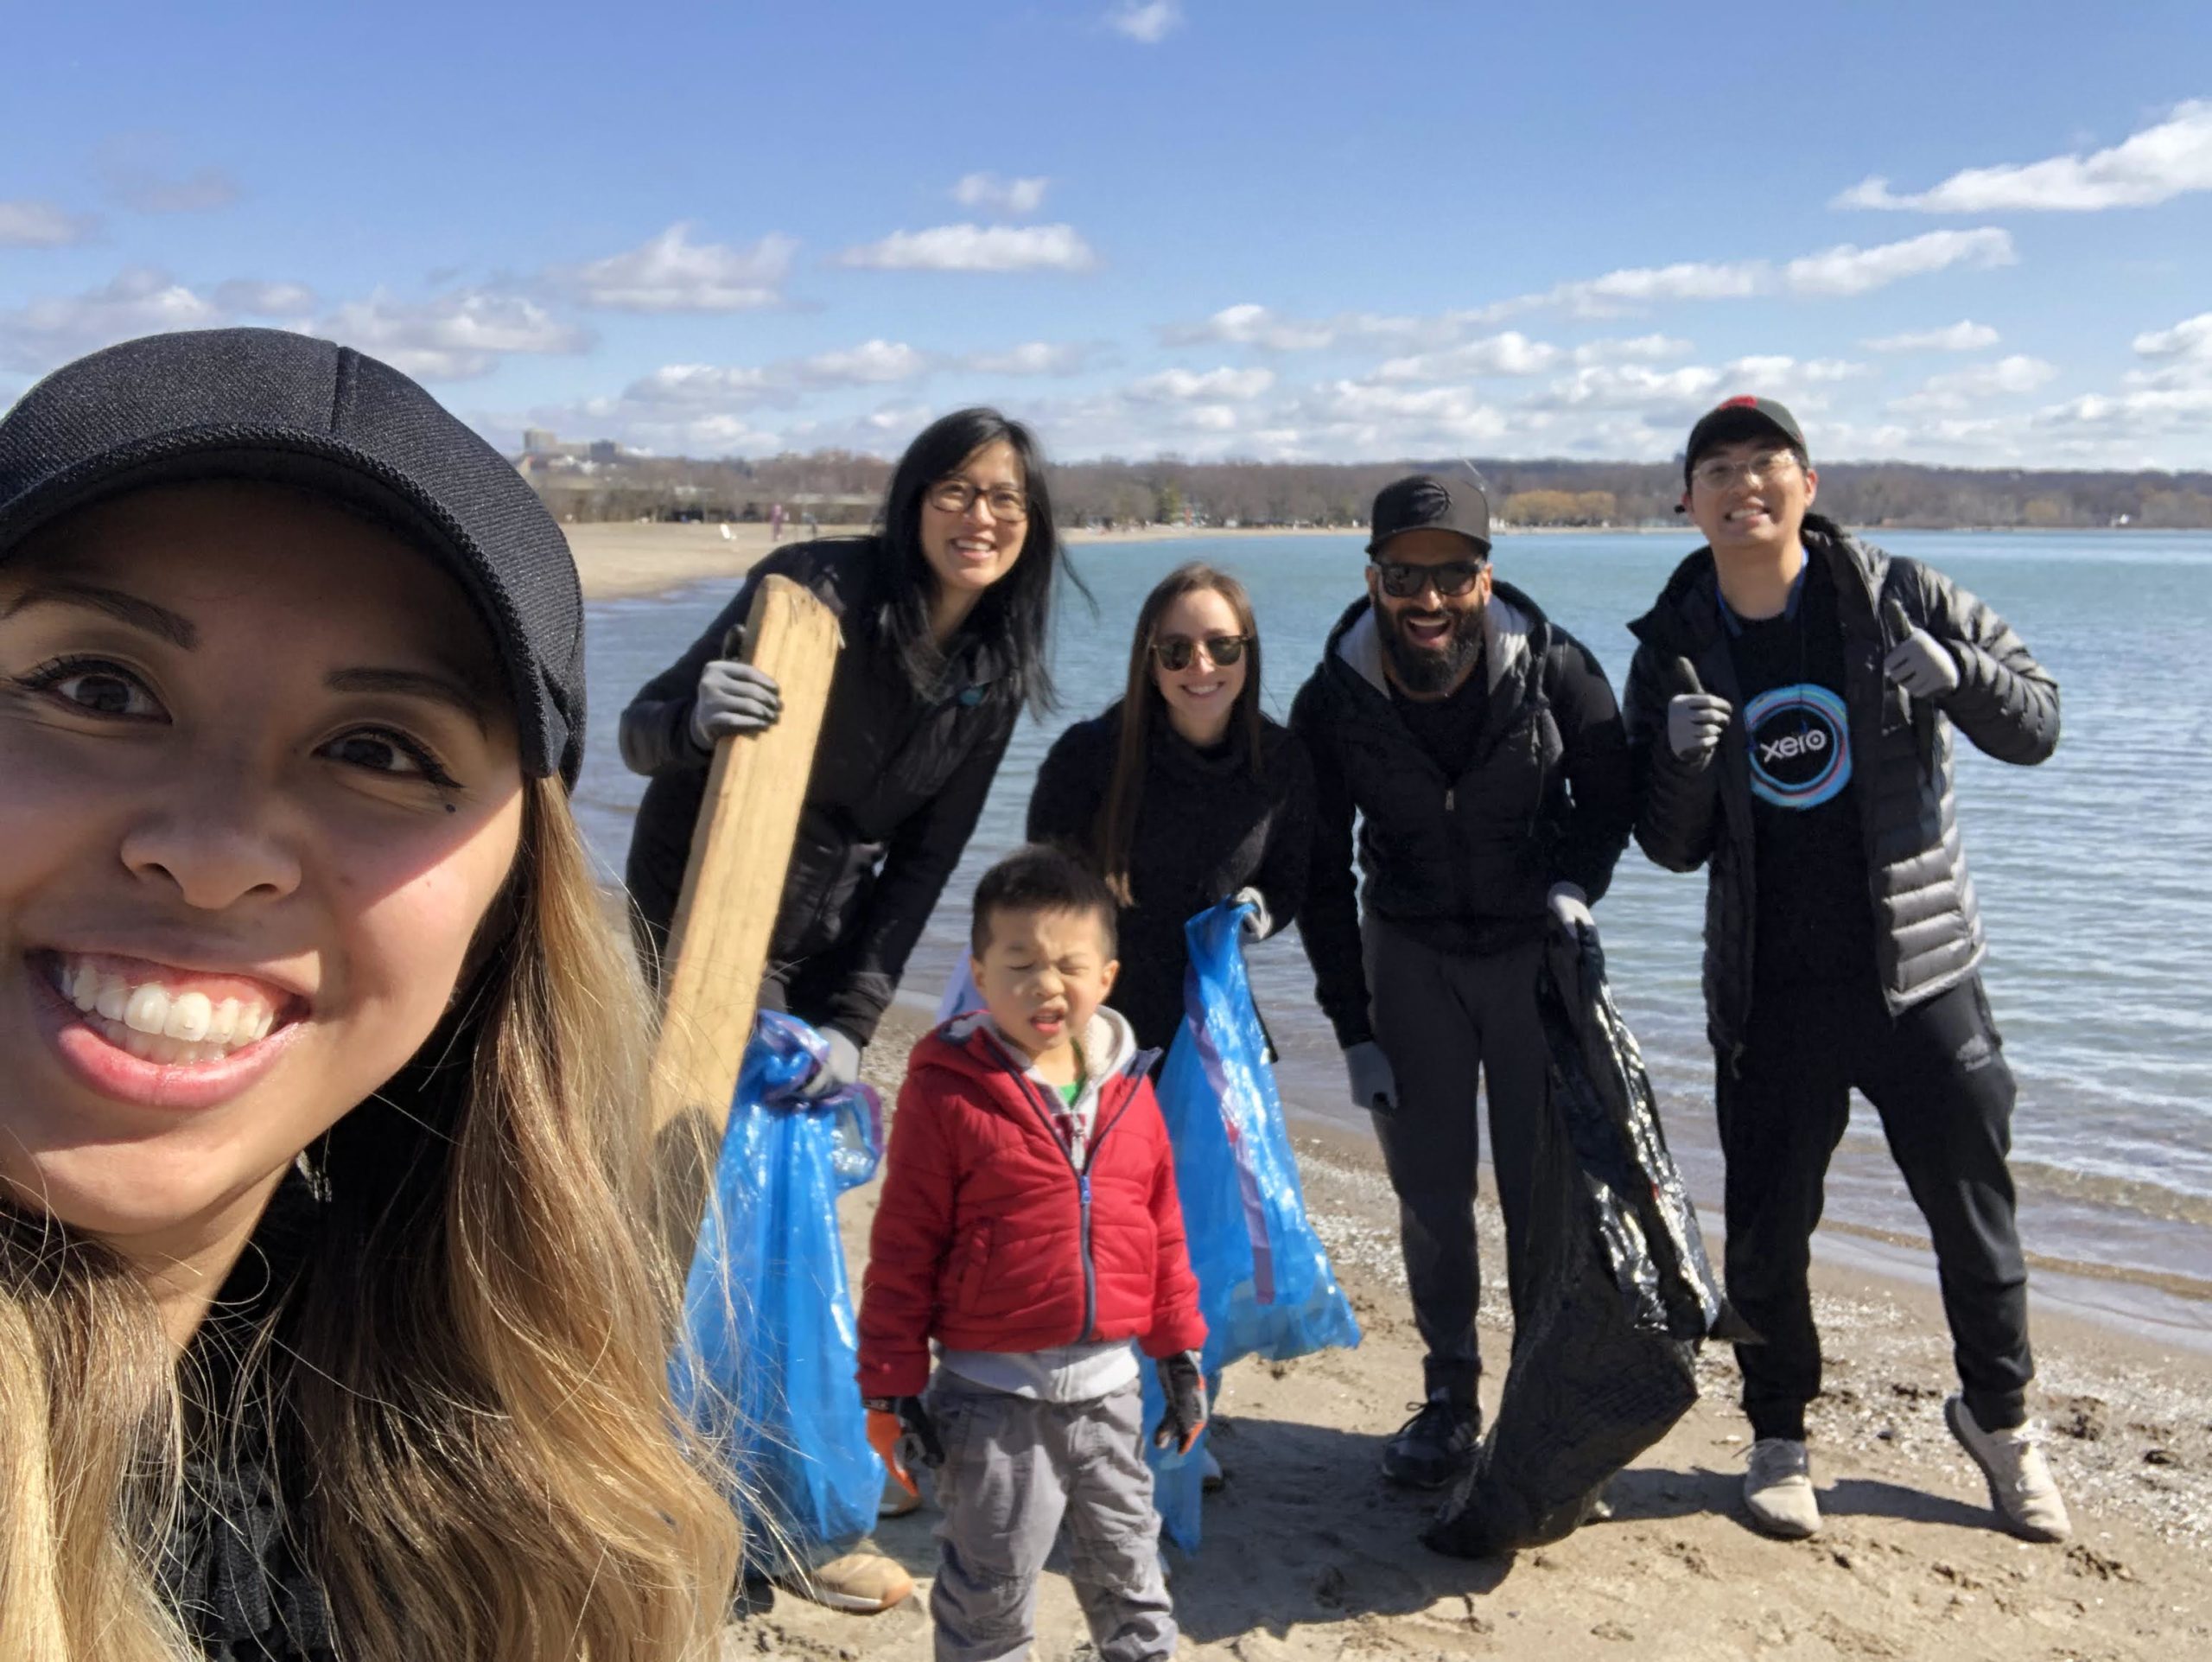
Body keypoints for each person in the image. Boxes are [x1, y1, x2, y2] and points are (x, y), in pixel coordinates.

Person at [0, 328, 740, 1662]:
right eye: (95, 686)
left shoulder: (490, 1494)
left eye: (380, 749)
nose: (218, 849)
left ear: (509, 909)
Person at [619, 407, 1073, 1612]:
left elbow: (925, 865)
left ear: (1031, 532)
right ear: (915, 498)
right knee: (697, 1208)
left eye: (1006, 502)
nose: (981, 517)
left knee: (784, 1227)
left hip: (818, 945)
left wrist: (849, 1024)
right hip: (702, 910)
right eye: (959, 490)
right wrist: (692, 714)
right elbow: (635, 731)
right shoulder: (808, 592)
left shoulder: (988, 678)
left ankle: (772, 1499)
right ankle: (664, 1493)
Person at [1624, 395, 2069, 1544]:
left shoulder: (1901, 593)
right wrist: (1679, 763)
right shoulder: (1671, 641)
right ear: (1690, 501)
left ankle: (2003, 1420)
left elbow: (2038, 723)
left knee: (1976, 1220)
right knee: (1769, 1232)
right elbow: (1669, 848)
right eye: (1715, 469)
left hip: (1920, 975)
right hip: (1771, 990)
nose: (1743, 485)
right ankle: (1778, 1432)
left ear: (1806, 484)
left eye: (1764, 462)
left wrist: (1957, 672)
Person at [1292, 473, 1635, 1490]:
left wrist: (1574, 885)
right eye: (1405, 574)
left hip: (1531, 956)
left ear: (1486, 579)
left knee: (1539, 1197)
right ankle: (1449, 1401)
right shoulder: (1334, 698)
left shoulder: (1557, 668)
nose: (1427, 599)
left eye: (1451, 574)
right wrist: (1351, 1024)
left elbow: (1609, 787)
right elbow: (1317, 869)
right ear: (1373, 577)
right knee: (1432, 1194)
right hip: (1409, 960)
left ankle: (1535, 1399)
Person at [857, 845, 1205, 1662]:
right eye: (1019, 964)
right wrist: (891, 1388)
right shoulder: (947, 1092)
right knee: (991, 1589)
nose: (1046, 985)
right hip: (993, 1398)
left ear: (1108, 976)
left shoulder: (1130, 1090)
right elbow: (902, 1246)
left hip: (1113, 1394)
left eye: (1068, 966)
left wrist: (1180, 1353)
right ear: (980, 975)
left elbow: (1160, 1230)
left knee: (1131, 1576)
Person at [1026, 561, 1313, 1058]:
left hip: (1215, 1029)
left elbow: (1288, 882)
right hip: (1097, 1030)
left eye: (1222, 646)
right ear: (1150, 662)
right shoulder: (1086, 757)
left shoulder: (1282, 761)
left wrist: (1257, 911)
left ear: (1248, 652)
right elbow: (1038, 899)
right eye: (1177, 651)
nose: (1201, 667)